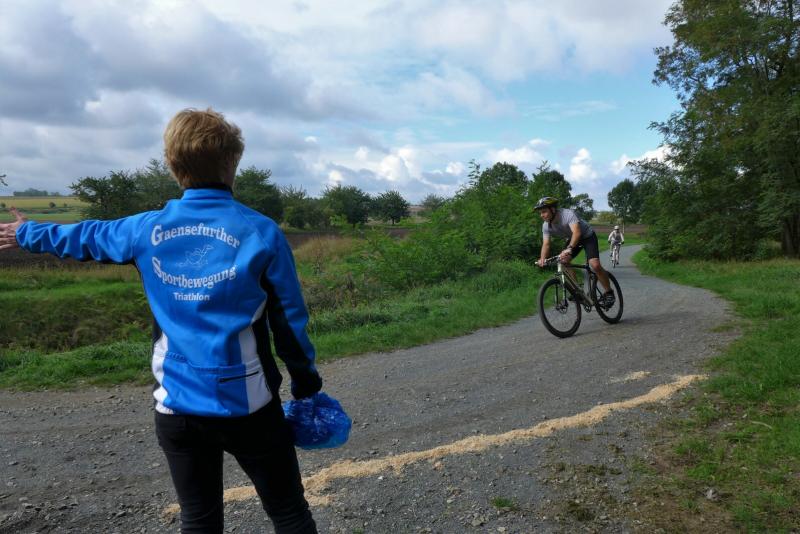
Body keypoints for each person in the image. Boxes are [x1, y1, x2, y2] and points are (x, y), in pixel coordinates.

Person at [0, 108, 321, 533]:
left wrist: (27, 233)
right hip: (251, 406)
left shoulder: (144, 230)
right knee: (289, 513)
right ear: (232, 162)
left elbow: (86, 236)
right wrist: (306, 386)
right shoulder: (261, 233)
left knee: (199, 520)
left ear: (172, 165)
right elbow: (290, 322)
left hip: (176, 407)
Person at [534, 196, 615, 306]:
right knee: (563, 261)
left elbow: (577, 233)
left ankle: (609, 292)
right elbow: (546, 244)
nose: (541, 215)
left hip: (587, 236)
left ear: (552, 209)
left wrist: (569, 248)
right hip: (572, 239)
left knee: (594, 265)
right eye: (540, 213)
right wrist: (542, 258)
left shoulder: (567, 214)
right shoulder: (546, 226)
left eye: (544, 211)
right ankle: (578, 291)